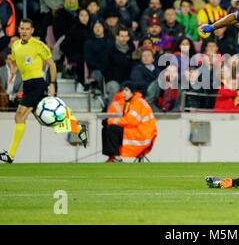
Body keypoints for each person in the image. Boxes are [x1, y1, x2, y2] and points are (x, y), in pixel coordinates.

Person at [0, 19, 87, 163]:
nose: (24, 31)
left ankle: (10, 155)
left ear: (32, 30)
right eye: (22, 28)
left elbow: (52, 65)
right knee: (44, 120)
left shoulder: (39, 46)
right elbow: (16, 63)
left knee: (19, 116)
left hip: (37, 84)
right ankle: (78, 128)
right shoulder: (15, 46)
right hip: (27, 85)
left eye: (27, 29)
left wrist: (52, 83)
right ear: (19, 30)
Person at [102, 81, 157, 162]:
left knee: (111, 128)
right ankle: (112, 156)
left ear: (133, 92)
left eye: (126, 90)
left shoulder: (138, 102)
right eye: (123, 90)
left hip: (142, 135)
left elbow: (130, 121)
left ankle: (117, 157)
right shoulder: (132, 102)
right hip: (138, 132)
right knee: (106, 128)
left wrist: (110, 121)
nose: (123, 93)